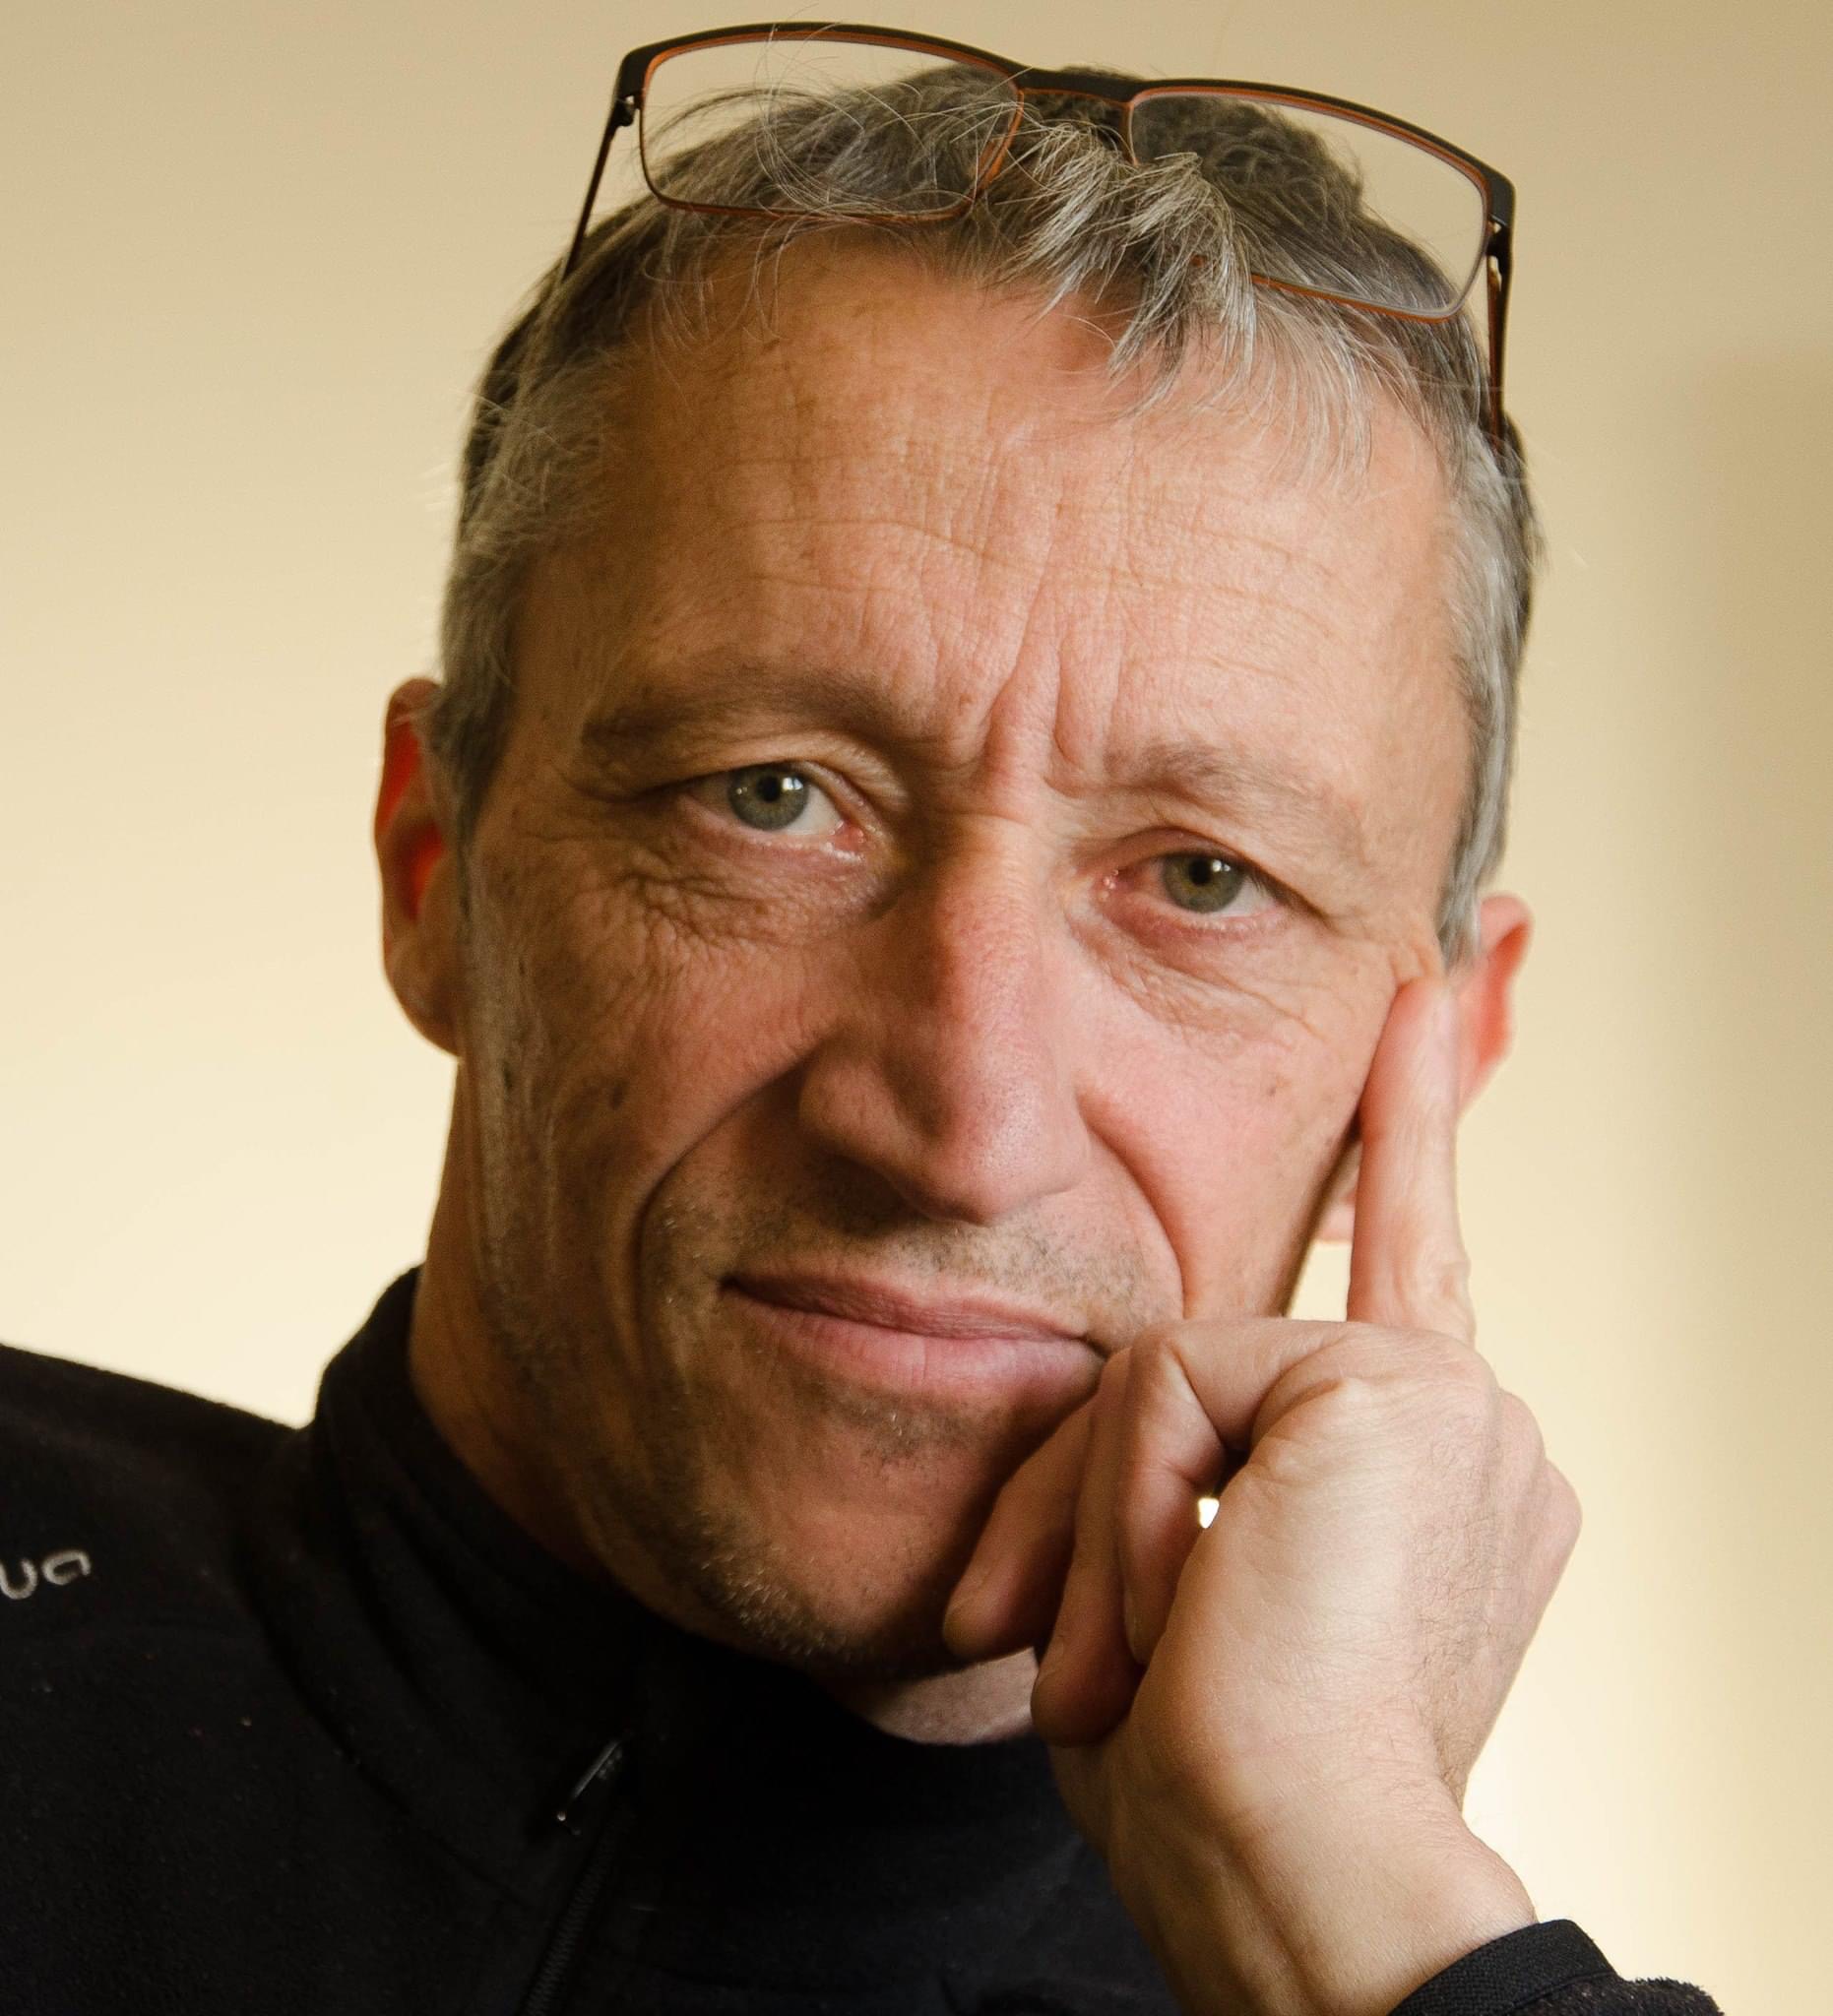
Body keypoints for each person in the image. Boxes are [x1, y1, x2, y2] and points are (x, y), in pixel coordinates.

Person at [0, 25, 1725, 2016]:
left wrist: (1378, 1931)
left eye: (1199, 880)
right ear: (433, 869)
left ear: (1437, 1060)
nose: (963, 1124)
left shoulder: (1381, 1972)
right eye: (770, 797)